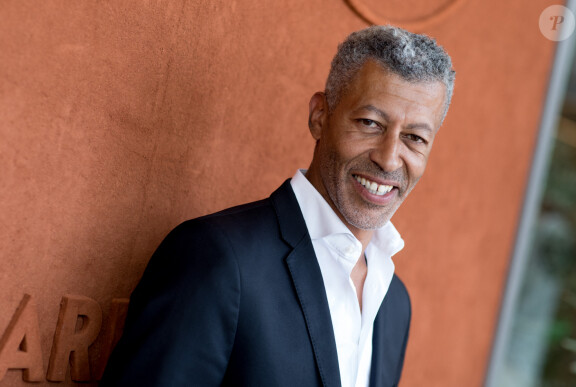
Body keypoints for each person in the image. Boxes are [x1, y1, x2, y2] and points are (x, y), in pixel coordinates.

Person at [101, 25, 455, 387]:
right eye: (370, 123)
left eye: (415, 138)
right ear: (320, 116)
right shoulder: (217, 258)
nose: (389, 158)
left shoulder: (395, 302)